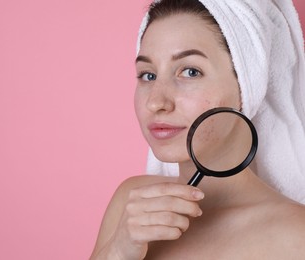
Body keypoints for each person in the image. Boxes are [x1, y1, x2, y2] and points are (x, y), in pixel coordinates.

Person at [90, 0, 305, 259]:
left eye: (190, 71)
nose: (156, 102)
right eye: (148, 75)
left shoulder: (295, 236)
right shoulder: (131, 204)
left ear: (246, 85)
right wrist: (117, 251)